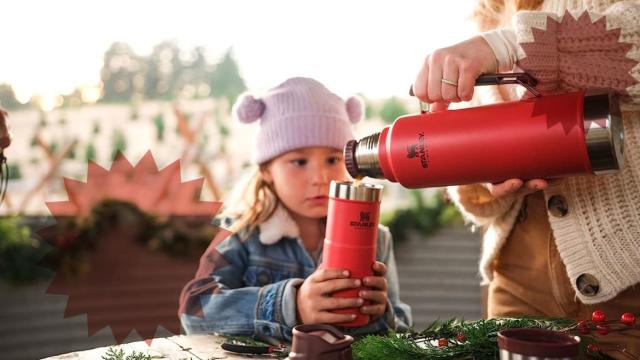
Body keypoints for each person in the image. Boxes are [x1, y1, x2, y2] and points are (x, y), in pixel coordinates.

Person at [412, 0, 640, 355]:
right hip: (517, 283)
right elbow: (477, 200)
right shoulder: (491, 12)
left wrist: (504, 46)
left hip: (628, 284)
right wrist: (485, 179)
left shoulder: (494, 36)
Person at [178, 77, 412, 341]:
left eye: (333, 159)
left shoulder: (377, 238)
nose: (320, 177)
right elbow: (195, 311)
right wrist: (292, 305)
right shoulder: (242, 232)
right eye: (299, 161)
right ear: (267, 170)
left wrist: (380, 313)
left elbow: (402, 329)